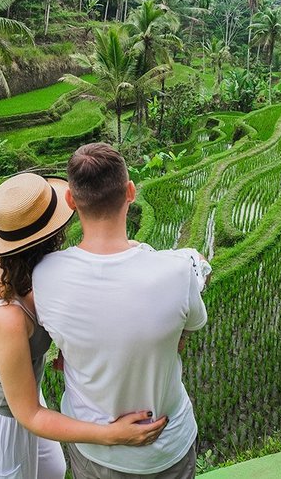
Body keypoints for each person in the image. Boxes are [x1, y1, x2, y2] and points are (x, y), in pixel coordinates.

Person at [0, 172, 168, 479]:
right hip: (2, 413)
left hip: (22, 386)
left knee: (53, 471)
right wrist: (112, 435)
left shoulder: (2, 256)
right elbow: (28, 414)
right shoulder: (8, 318)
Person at [33, 143, 211, 478]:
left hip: (98, 456)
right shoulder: (176, 271)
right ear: (130, 192)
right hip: (170, 443)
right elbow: (190, 326)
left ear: (71, 201)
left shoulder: (44, 276)